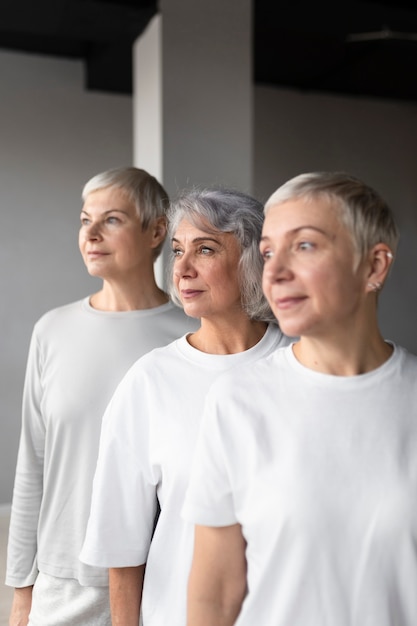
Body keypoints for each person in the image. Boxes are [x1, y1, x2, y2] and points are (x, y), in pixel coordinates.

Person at [183, 172, 417, 626]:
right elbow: (214, 595)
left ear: (374, 267)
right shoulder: (238, 401)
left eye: (304, 245)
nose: (275, 271)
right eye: (268, 251)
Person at [79, 187, 290, 626]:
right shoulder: (150, 381)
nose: (183, 269)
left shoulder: (305, 366)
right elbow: (121, 545)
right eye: (177, 251)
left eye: (205, 249)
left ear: (254, 260)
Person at [6, 166, 198, 626]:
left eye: (111, 219)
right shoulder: (51, 330)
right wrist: (21, 589)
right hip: (62, 582)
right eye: (84, 219)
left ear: (156, 231)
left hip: (162, 580)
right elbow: (33, 464)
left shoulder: (192, 335)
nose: (91, 233)